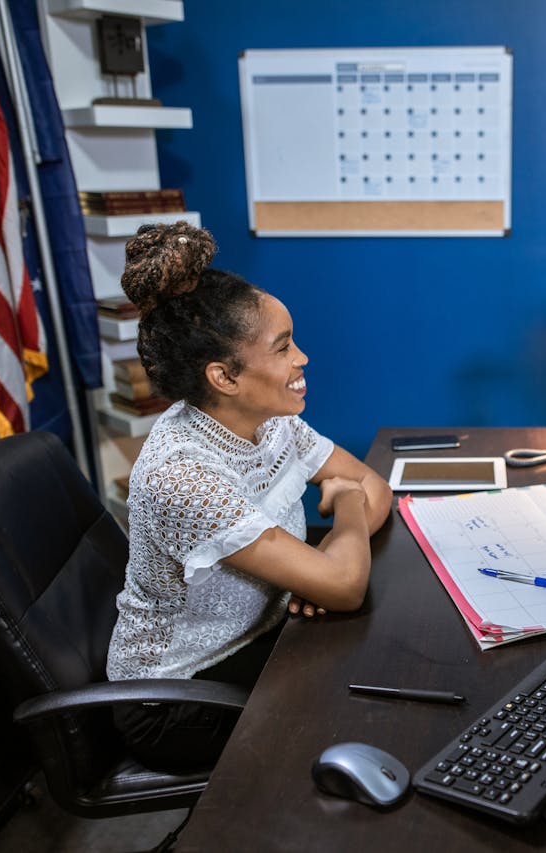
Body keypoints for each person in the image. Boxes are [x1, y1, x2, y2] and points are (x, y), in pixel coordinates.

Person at [105, 221, 392, 771]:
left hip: (262, 635)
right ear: (224, 377)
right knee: (360, 709)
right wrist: (344, 512)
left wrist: (326, 566)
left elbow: (376, 486)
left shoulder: (268, 420)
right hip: (179, 695)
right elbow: (348, 578)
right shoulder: (181, 474)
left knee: (375, 669)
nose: (302, 358)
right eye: (284, 348)